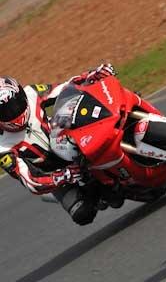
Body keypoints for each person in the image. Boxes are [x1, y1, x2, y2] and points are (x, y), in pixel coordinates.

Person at [0, 64, 116, 225]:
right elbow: (30, 180)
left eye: (16, 103)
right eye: (5, 111)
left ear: (21, 95)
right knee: (82, 214)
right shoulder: (2, 148)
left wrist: (90, 75)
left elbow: (64, 88)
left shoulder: (31, 93)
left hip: (66, 139)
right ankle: (97, 193)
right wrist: (62, 176)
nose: (14, 111)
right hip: (54, 172)